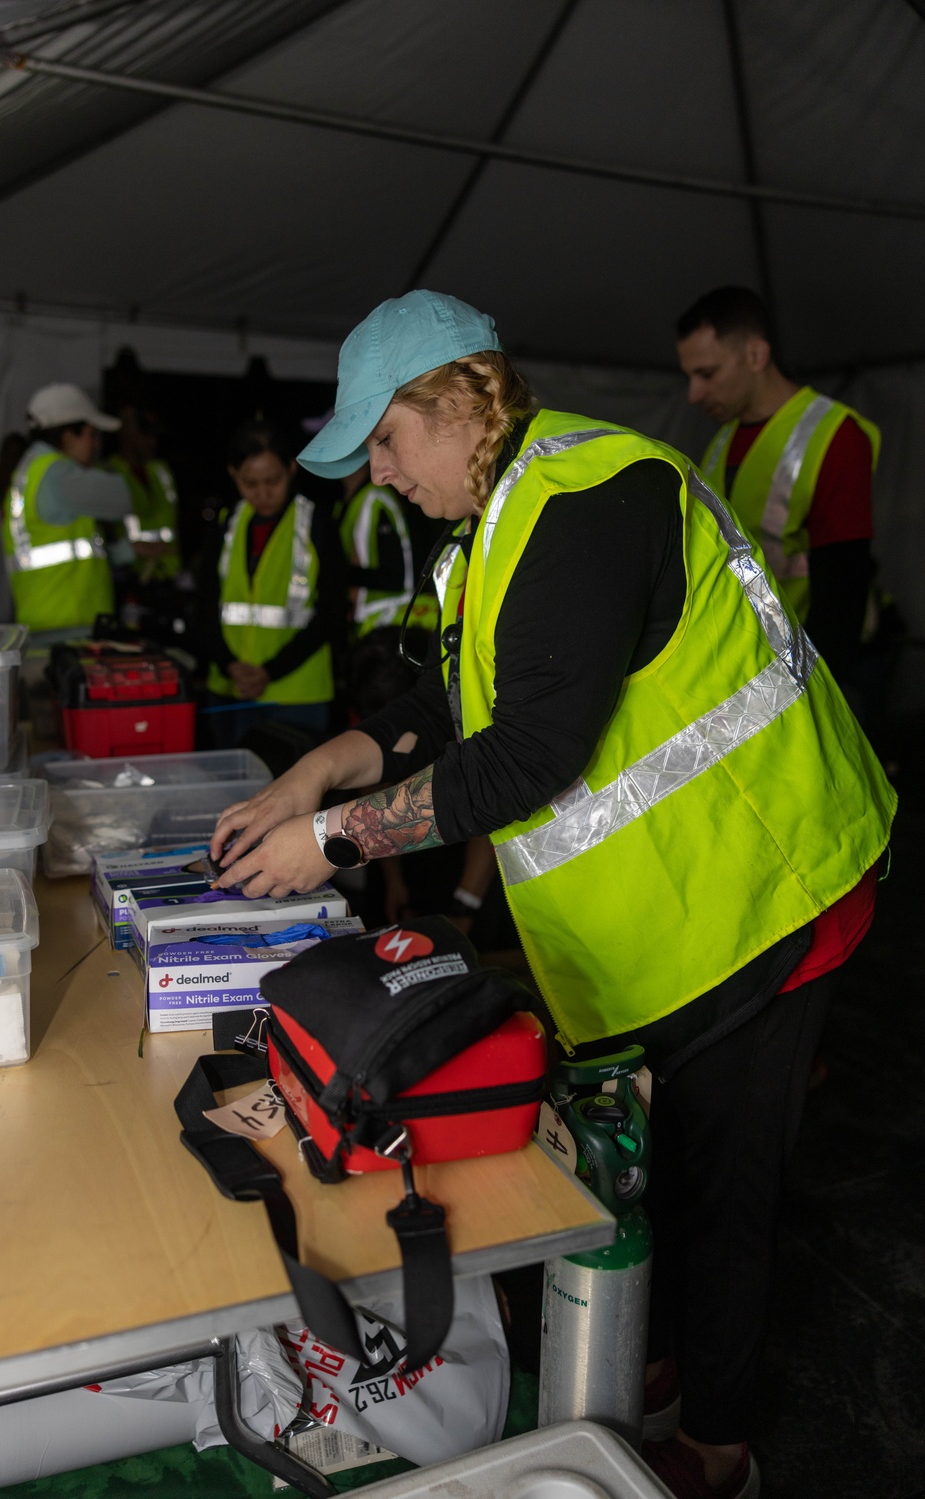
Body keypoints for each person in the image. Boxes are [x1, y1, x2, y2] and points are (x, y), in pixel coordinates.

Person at [209, 290, 895, 1499]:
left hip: (765, 890)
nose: (380, 476)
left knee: (724, 1183)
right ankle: (661, 1366)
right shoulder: (501, 516)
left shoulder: (587, 498)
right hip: (670, 922)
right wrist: (322, 767)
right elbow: (446, 708)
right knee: (663, 1164)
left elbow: (526, 754)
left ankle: (718, 1450)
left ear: (465, 399)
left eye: (385, 441)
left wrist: (336, 839)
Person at [676, 286, 879, 687]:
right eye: (690, 377)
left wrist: (816, 688)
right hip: (749, 666)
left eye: (707, 374)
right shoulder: (721, 442)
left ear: (756, 355)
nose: (694, 395)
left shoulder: (834, 435)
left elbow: (844, 591)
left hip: (812, 671)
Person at [200, 420, 345, 747]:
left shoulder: (317, 524)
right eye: (250, 483)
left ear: (291, 470)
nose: (262, 493)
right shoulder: (225, 525)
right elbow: (205, 605)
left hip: (297, 696)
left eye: (273, 481)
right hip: (229, 690)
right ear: (233, 474)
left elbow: (332, 611)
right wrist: (229, 665)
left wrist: (270, 671)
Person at [2, 384, 130, 634]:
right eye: (91, 435)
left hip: (42, 620)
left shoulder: (30, 472)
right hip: (70, 626)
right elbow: (122, 498)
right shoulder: (57, 475)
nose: (95, 445)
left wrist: (126, 552)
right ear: (67, 436)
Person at [336, 462, 415, 635]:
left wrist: (338, 573)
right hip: (368, 621)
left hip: (388, 622)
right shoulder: (346, 503)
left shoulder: (376, 498)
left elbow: (393, 577)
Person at [106, 406, 181, 582]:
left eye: (155, 435)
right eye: (146, 435)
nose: (152, 441)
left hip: (169, 573)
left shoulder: (161, 471)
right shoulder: (109, 474)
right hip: (130, 576)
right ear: (128, 434)